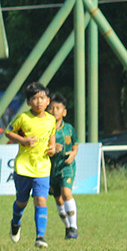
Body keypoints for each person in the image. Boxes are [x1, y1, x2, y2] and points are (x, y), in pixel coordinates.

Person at [4, 81, 57, 248]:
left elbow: (52, 137)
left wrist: (53, 148)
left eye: (42, 98)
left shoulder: (51, 120)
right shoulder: (23, 118)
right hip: (23, 167)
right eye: (34, 98)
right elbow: (8, 132)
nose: (39, 101)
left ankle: (40, 237)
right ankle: (16, 221)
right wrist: (23, 140)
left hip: (42, 167)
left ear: (48, 101)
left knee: (41, 200)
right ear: (28, 102)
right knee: (22, 201)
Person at [48, 92, 79, 239]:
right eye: (51, 108)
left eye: (57, 108)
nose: (54, 111)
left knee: (67, 193)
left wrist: (72, 155)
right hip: (51, 168)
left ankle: (74, 227)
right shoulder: (46, 129)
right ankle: (67, 227)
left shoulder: (69, 129)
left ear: (64, 112)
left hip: (66, 167)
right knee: (58, 199)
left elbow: (75, 146)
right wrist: (51, 149)